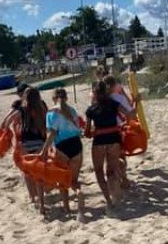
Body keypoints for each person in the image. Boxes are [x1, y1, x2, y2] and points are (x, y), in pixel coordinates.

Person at [85, 80, 130, 208]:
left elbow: (87, 132)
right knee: (112, 170)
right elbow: (129, 115)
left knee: (99, 171)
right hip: (114, 140)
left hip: (99, 142)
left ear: (94, 93)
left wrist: (90, 132)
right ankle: (116, 195)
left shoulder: (91, 110)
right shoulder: (114, 104)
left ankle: (108, 200)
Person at [40, 88, 84, 216]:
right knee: (74, 180)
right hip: (76, 145)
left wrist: (44, 151)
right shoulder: (72, 111)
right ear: (66, 98)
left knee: (63, 181)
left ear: (53, 99)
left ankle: (67, 209)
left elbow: (52, 134)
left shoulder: (51, 113)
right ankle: (79, 193)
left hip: (62, 147)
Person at [7, 87, 47, 211]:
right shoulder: (42, 109)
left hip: (26, 144)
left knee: (27, 171)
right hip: (40, 142)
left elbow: (9, 120)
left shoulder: (22, 110)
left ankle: (32, 197)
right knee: (39, 171)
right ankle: (41, 201)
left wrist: (8, 131)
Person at [103, 75, 138, 188]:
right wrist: (136, 102)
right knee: (121, 156)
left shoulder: (102, 99)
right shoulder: (119, 98)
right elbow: (131, 113)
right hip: (121, 128)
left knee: (110, 158)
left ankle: (117, 180)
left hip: (106, 131)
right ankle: (124, 178)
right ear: (115, 85)